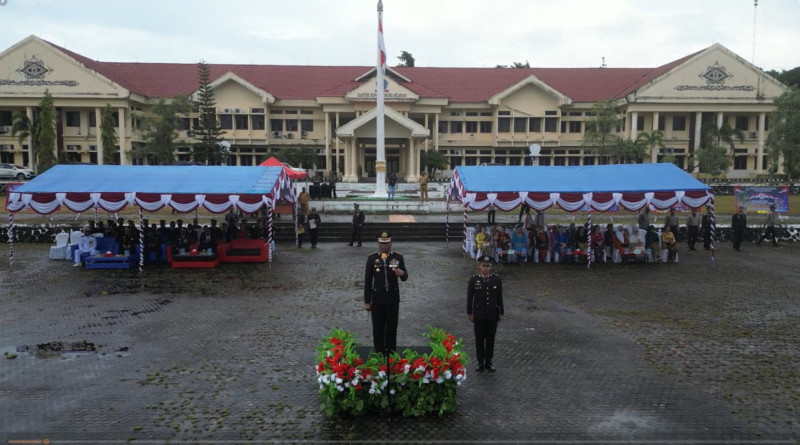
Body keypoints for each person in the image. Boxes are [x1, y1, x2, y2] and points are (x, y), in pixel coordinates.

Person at [364, 232, 408, 355]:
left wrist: (401, 273)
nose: (384, 246)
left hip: (392, 300)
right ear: (378, 243)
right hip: (377, 300)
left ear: (391, 243)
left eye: (386, 243)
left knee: (392, 329)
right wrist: (367, 301)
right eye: (382, 243)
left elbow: (405, 276)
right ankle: (379, 354)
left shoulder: (397, 257)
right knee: (377, 329)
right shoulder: (372, 258)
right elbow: (368, 281)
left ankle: (391, 353)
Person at [467, 255, 504, 372]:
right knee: (479, 339)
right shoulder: (474, 280)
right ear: (479, 266)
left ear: (491, 266)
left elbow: (499, 297)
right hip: (479, 314)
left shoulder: (496, 279)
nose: (486, 268)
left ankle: (488, 361)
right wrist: (469, 313)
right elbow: (469, 298)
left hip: (492, 314)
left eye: (488, 266)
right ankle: (480, 362)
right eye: (484, 266)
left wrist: (501, 311)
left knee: (490, 339)